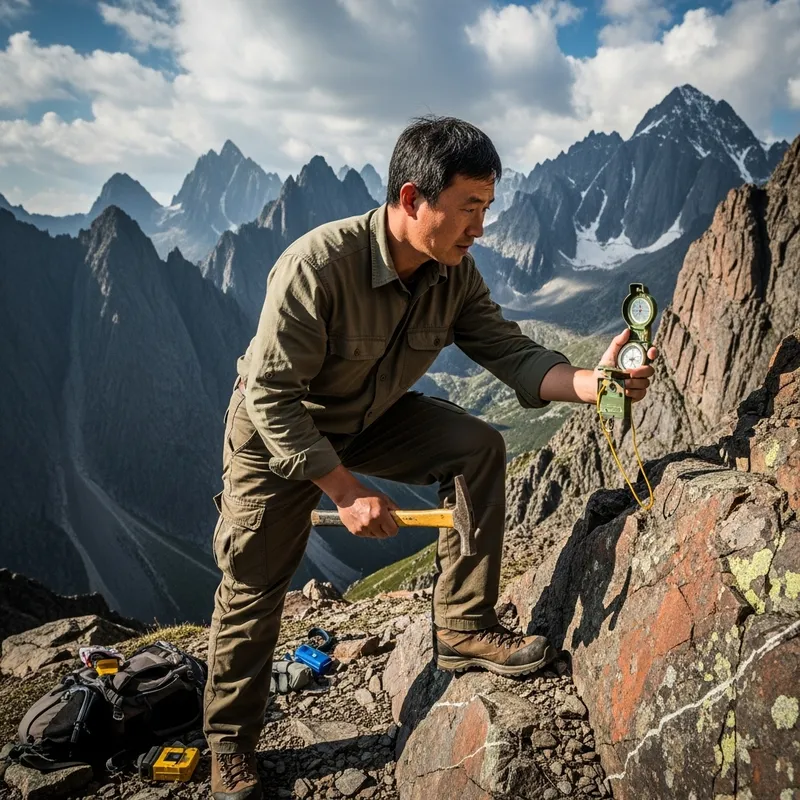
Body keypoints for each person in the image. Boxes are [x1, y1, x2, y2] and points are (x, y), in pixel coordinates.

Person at [204, 116, 657, 800]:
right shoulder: (317, 266)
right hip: (278, 431)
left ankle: (464, 628)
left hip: (369, 416)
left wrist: (599, 384)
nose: (480, 227)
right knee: (255, 578)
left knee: (479, 448)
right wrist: (344, 488)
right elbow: (271, 396)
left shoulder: (454, 275)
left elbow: (512, 353)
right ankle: (230, 744)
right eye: (469, 208)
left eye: (487, 209)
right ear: (414, 198)